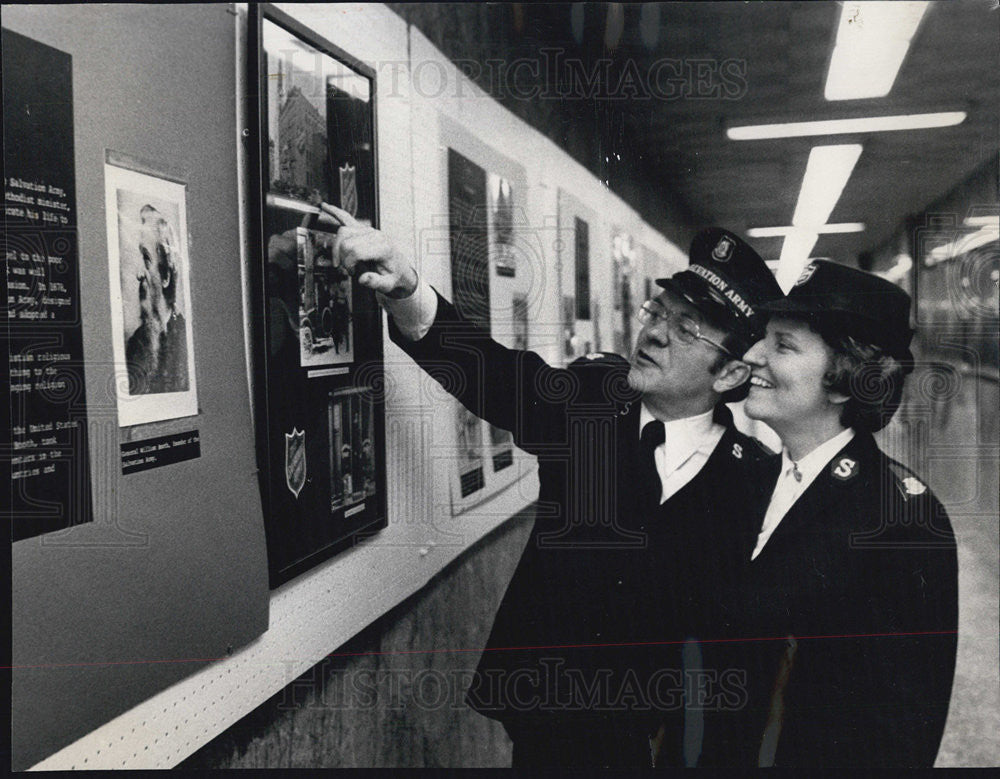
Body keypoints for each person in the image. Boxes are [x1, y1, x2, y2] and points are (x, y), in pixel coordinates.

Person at [323, 202, 782, 767]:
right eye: (658, 311)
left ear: (732, 373)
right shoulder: (591, 401)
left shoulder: (752, 480)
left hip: (657, 741)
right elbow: (489, 373)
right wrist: (403, 285)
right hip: (548, 725)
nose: (656, 334)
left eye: (686, 330)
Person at [701, 260, 959, 767]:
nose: (752, 355)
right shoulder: (749, 480)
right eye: (763, 338)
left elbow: (903, 726)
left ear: (846, 380)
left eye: (783, 344)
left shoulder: (900, 520)